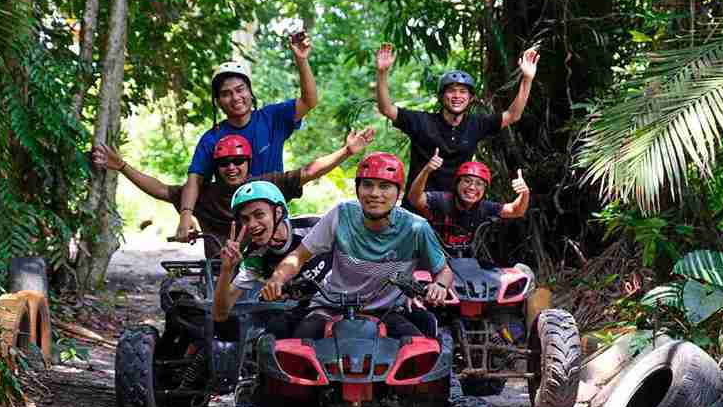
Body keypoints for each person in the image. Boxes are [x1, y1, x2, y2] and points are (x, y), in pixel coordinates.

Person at [258, 152, 454, 340]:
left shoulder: (416, 227)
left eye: (385, 186)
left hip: (388, 311)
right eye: (367, 185)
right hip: (331, 305)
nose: (375, 194)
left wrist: (440, 285)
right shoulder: (341, 215)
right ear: (358, 189)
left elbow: (443, 270)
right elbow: (299, 256)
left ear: (399, 192)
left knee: (418, 352)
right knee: (300, 344)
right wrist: (277, 279)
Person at [91, 127, 375, 256]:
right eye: (224, 162)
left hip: (267, 267)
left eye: (238, 161)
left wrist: (347, 151)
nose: (231, 167)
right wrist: (123, 166)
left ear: (248, 163)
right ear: (216, 166)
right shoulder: (205, 195)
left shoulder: (266, 184)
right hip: (218, 273)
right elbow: (162, 190)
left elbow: (309, 172)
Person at [177, 32, 319, 241]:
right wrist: (185, 216)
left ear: (250, 91)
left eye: (240, 89)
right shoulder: (211, 138)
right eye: (226, 93)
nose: (235, 98)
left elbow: (309, 101)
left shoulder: (272, 118)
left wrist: (301, 60)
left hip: (274, 222)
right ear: (218, 101)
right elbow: (194, 181)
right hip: (233, 227)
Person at [374, 43, 539, 207]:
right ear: (441, 96)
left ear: (471, 98)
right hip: (418, 207)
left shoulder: (476, 124)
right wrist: (382, 73)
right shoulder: (421, 121)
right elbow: (386, 109)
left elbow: (513, 115)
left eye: (463, 91)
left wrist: (527, 78)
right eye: (451, 91)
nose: (457, 96)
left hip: (454, 210)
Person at [210, 182, 328, 334]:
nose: (252, 224)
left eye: (259, 215)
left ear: (278, 212)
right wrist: (227, 270)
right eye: (245, 219)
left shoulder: (312, 227)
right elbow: (219, 314)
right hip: (297, 314)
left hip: (336, 306)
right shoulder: (255, 255)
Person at [407, 152, 530, 256]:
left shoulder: (484, 207)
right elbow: (414, 198)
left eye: (479, 184)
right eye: (467, 181)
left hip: (464, 262)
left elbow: (516, 210)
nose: (472, 187)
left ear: (484, 189)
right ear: (457, 184)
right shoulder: (442, 200)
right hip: (429, 258)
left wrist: (524, 193)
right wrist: (426, 171)